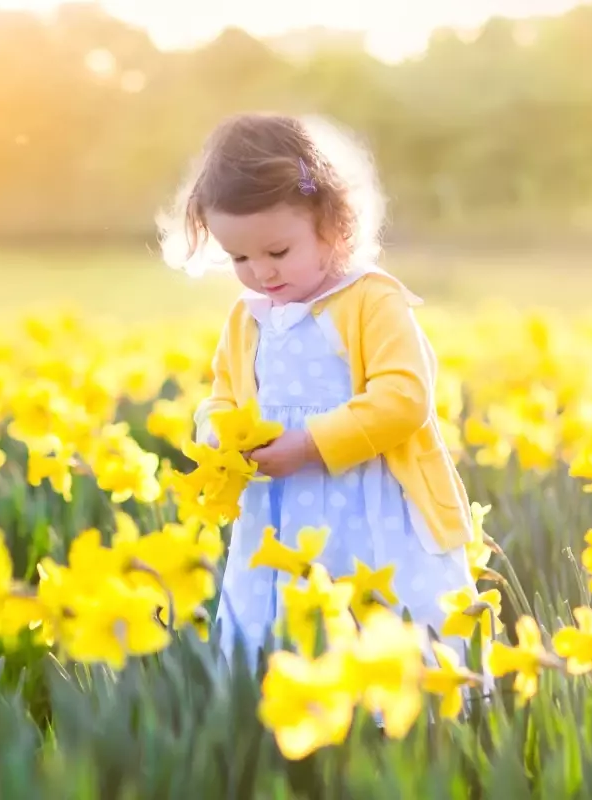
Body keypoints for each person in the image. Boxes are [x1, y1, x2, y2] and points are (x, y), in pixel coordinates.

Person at [157, 112, 477, 663]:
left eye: (277, 252)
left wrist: (309, 445)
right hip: (276, 513)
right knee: (281, 633)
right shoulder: (249, 316)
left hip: (372, 503)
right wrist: (216, 434)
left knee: (377, 628)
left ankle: (399, 729)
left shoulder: (371, 300)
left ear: (333, 226)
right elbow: (223, 396)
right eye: (239, 257)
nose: (260, 272)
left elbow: (404, 400)